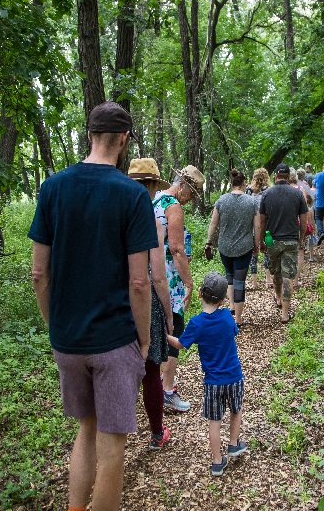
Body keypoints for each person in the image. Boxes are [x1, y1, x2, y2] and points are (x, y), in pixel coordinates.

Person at [29, 101, 156, 511]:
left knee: (86, 429)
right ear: (123, 139)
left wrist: (56, 328)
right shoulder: (133, 195)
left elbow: (38, 274)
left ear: (89, 135)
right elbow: (140, 281)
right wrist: (143, 338)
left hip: (68, 340)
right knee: (113, 444)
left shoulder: (52, 188)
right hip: (114, 338)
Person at [166, 272, 247, 477]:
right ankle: (233, 444)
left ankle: (217, 462)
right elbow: (232, 333)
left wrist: (164, 335)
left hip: (213, 381)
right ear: (222, 300)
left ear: (200, 293)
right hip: (234, 376)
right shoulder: (228, 317)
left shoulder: (196, 323)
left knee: (214, 420)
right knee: (236, 410)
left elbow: (180, 344)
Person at [128, 158, 174, 450]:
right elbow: (157, 277)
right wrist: (169, 314)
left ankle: (111, 435)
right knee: (150, 370)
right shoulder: (152, 222)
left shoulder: (112, 216)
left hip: (114, 300)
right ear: (154, 186)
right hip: (145, 304)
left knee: (118, 369)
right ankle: (156, 433)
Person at [153, 165, 206, 412]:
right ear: (182, 186)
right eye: (192, 193)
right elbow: (176, 248)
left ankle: (154, 389)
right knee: (175, 330)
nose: (191, 199)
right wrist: (189, 281)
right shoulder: (173, 206)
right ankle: (167, 391)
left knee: (153, 331)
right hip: (170, 282)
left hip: (150, 274)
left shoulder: (154, 198)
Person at [204, 169, 259, 327]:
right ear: (243, 184)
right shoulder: (251, 201)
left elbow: (213, 223)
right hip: (244, 246)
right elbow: (257, 225)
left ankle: (232, 306)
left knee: (229, 276)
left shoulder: (221, 200)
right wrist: (256, 243)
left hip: (225, 247)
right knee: (239, 281)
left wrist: (209, 242)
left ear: (231, 183)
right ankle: (238, 319)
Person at [259, 163, 308, 323]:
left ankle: (278, 298)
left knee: (277, 272)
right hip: (291, 240)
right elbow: (303, 221)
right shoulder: (298, 194)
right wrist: (301, 239)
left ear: (275, 177)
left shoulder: (266, 194)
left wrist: (261, 242)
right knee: (288, 276)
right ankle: (285, 314)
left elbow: (262, 221)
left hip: (272, 241)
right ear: (288, 177)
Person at [245, 168, 271, 290]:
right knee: (267, 252)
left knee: (253, 253)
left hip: (252, 225)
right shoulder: (269, 191)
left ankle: (254, 282)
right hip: (266, 225)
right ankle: (268, 280)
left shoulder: (249, 191)